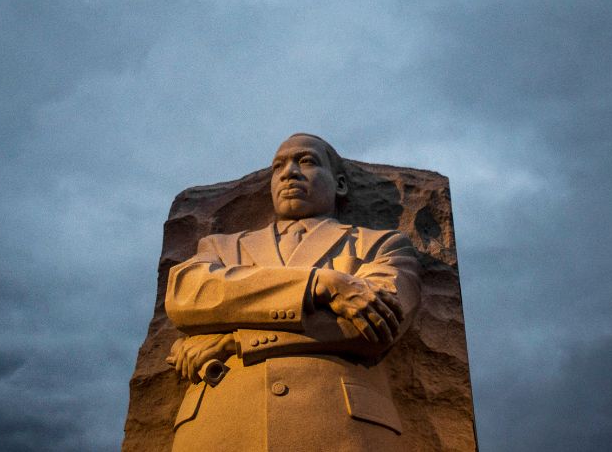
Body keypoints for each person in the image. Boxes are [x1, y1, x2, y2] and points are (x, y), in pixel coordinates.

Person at [164, 133, 422, 451]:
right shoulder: (222, 246)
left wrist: (234, 340)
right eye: (278, 166)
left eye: (306, 161)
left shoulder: (380, 245)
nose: (289, 172)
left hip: (339, 425)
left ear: (340, 184)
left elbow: (378, 323)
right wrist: (320, 284)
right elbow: (187, 294)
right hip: (221, 424)